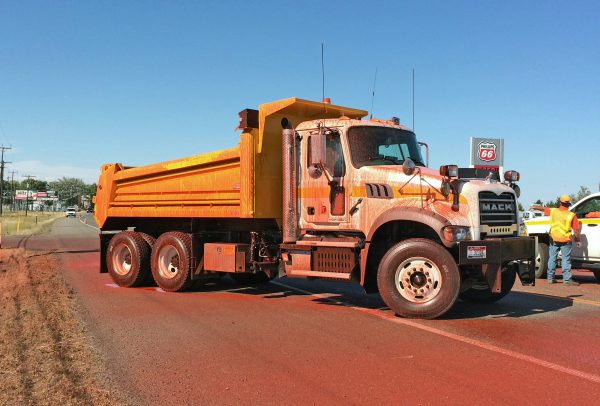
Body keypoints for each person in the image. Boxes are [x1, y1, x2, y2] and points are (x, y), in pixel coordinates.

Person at [547, 195, 581, 285]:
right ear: (569, 204)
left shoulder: (553, 211)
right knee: (565, 259)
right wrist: (578, 240)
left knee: (552, 258)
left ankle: (550, 278)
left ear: (560, 203)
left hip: (554, 239)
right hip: (566, 240)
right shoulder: (571, 215)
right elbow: (576, 231)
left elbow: (543, 209)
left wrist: (534, 207)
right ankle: (566, 280)